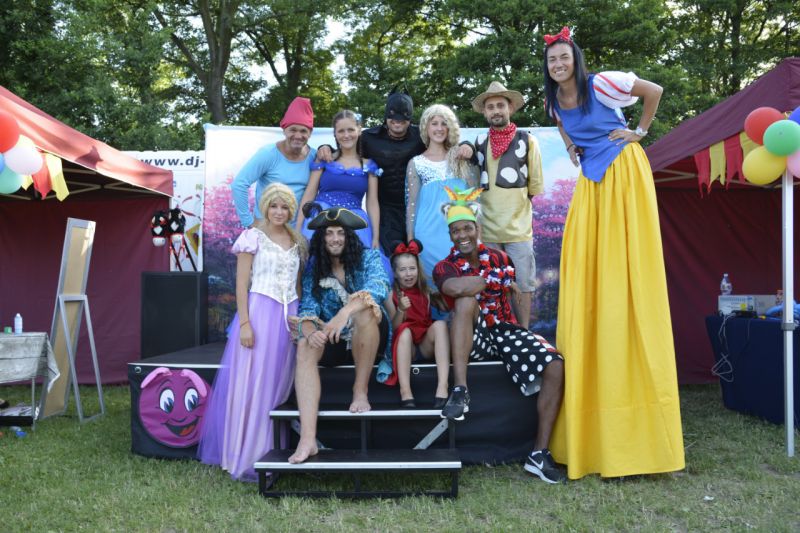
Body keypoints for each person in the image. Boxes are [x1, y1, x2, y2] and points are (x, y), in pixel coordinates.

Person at [542, 26, 684, 479]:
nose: (558, 65)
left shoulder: (602, 83)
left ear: (576, 60)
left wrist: (639, 131)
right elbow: (563, 125)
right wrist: (571, 146)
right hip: (592, 181)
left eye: (564, 57)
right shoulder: (553, 102)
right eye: (552, 60)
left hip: (622, 169)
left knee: (626, 262)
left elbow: (654, 91)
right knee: (589, 268)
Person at [432, 187, 566, 483]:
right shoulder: (445, 266)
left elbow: (515, 298)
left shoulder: (502, 258)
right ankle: (460, 389)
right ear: (450, 235)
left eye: (467, 228)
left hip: (505, 330)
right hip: (474, 335)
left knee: (555, 363)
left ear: (477, 228)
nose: (462, 235)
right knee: (465, 301)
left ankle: (539, 454)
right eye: (456, 230)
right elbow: (454, 289)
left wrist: (523, 330)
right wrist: (489, 281)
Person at [197, 183, 307, 481]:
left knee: (277, 385)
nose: (279, 212)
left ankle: (272, 450)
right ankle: (246, 456)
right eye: (274, 206)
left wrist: (299, 320)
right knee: (254, 384)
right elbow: (241, 284)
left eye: (284, 207)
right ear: (265, 207)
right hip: (260, 314)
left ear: (291, 210)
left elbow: (296, 285)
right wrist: (245, 323)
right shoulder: (252, 237)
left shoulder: (297, 240)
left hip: (288, 315)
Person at [288, 206, 392, 464]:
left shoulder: (369, 257)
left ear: (349, 237)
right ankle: (308, 439)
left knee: (364, 312)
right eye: (329, 233)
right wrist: (310, 331)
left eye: (340, 233)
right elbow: (308, 307)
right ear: (321, 238)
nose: (335, 239)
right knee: (305, 345)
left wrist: (344, 313)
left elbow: (378, 287)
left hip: (370, 334)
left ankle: (360, 391)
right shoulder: (315, 269)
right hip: (334, 338)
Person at [459, 82, 545, 330]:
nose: (496, 110)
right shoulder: (479, 141)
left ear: (510, 108)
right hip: (488, 229)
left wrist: (517, 207)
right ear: (485, 112)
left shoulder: (528, 141)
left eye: (500, 105)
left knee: (524, 283)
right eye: (490, 107)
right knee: (493, 283)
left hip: (519, 229)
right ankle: (499, 331)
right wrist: (465, 145)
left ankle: (524, 332)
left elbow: (535, 185)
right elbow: (466, 160)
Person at [318, 87, 426, 254]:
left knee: (420, 252)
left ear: (410, 117)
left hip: (418, 206)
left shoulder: (422, 136)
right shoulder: (369, 138)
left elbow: (445, 144)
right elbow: (346, 148)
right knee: (393, 253)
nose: (397, 121)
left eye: (403, 117)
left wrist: (466, 145)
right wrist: (325, 147)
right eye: (393, 116)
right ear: (386, 116)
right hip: (385, 210)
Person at [406, 104, 476, 282]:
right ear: (426, 127)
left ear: (450, 127)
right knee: (434, 285)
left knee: (465, 283)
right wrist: (411, 238)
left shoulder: (460, 157)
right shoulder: (416, 163)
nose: (439, 128)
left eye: (444, 123)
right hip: (427, 234)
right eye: (434, 123)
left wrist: (478, 233)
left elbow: (473, 199)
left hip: (461, 232)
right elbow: (412, 204)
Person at [295, 110, 382, 251]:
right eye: (341, 131)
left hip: (355, 222)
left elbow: (372, 202)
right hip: (321, 217)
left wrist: (375, 236)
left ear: (359, 130)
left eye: (350, 130)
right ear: (335, 133)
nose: (346, 135)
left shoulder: (369, 165)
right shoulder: (324, 159)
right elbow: (309, 194)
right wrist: (298, 228)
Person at [382, 240, 450, 408]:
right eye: (403, 270)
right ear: (395, 273)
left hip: (424, 345)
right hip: (406, 347)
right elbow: (394, 329)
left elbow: (445, 307)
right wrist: (401, 310)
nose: (408, 274)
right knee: (404, 331)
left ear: (418, 269)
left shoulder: (425, 292)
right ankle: (405, 391)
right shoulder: (390, 294)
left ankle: (443, 385)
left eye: (412, 268)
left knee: (440, 325)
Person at [231, 96, 316, 228]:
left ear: (310, 133)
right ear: (284, 130)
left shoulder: (314, 156)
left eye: (303, 131)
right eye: (293, 130)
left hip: (297, 230)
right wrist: (249, 222)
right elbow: (239, 184)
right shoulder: (268, 154)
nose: (298, 136)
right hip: (267, 229)